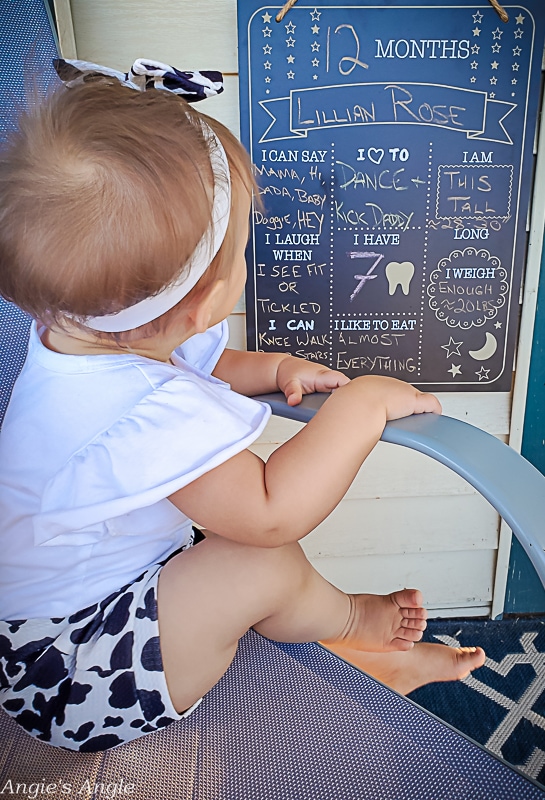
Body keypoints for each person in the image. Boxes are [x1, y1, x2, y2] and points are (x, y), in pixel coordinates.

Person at [0, 76, 485, 753]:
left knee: (233, 559)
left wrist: (277, 370)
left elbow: (194, 362)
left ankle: (362, 661)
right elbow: (270, 508)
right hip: (70, 674)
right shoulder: (139, 412)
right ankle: (352, 626)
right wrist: (362, 404)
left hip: (101, 602)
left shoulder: (81, 331)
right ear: (204, 304)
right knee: (262, 562)